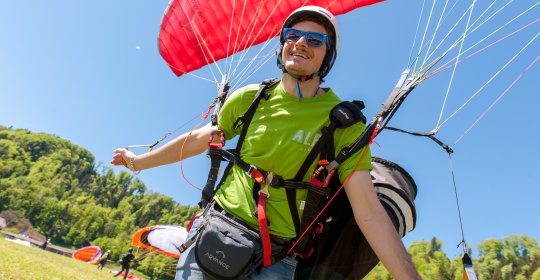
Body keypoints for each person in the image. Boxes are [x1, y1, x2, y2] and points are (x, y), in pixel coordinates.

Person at [112, 6, 420, 280]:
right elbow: (198, 139)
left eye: (315, 40)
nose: (300, 43)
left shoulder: (343, 125)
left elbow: (369, 212)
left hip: (276, 258)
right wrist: (138, 162)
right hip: (214, 233)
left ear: (329, 55)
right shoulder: (251, 99)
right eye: (293, 35)